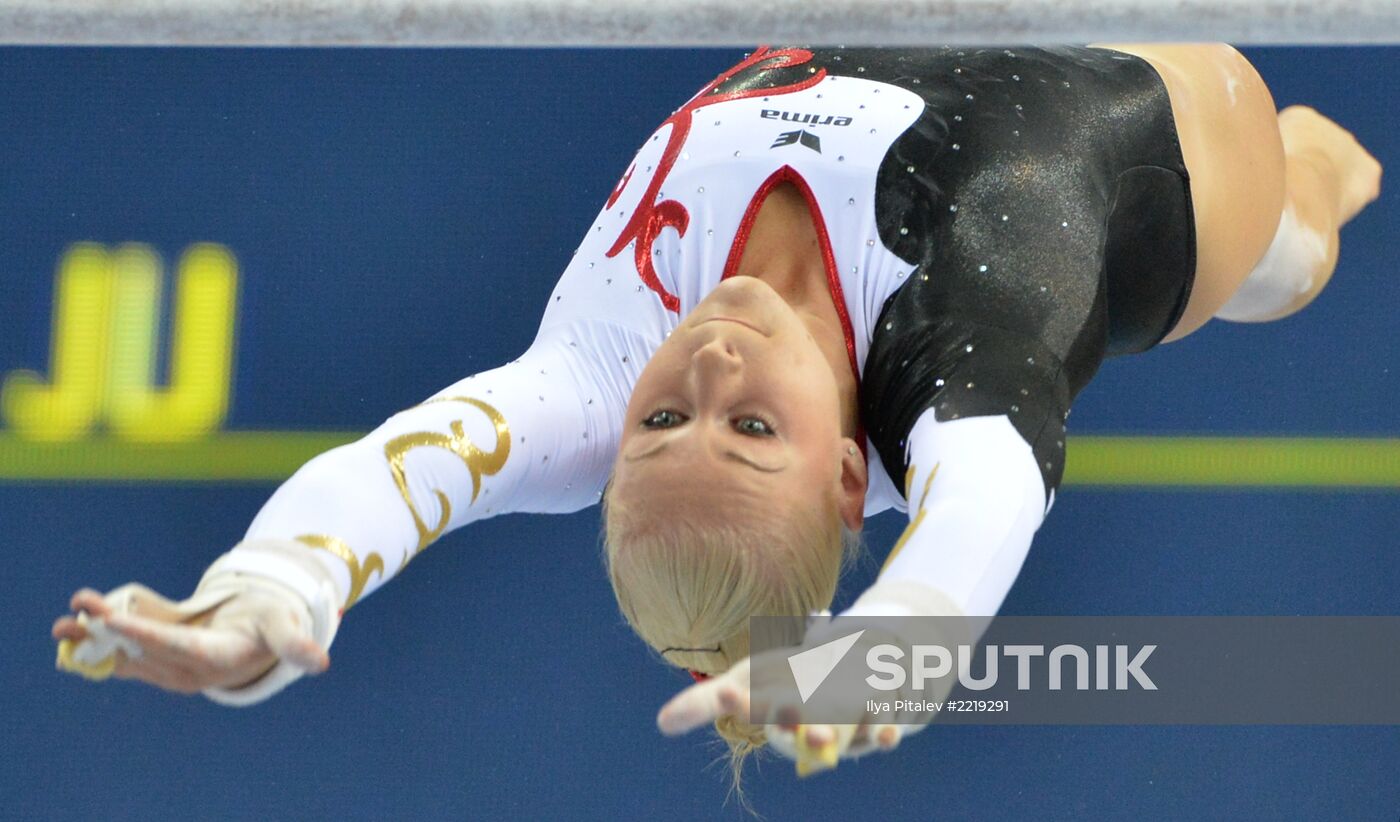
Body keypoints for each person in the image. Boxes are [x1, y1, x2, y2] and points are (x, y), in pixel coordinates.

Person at [53, 44, 1381, 785]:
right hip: (1158, 170)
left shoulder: (598, 361)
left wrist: (268, 596)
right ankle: (1307, 212)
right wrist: (883, 657)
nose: (706, 370)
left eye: (659, 425)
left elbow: (404, 473)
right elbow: (980, 512)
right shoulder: (962, 339)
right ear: (856, 467)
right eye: (753, 433)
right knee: (1283, 235)